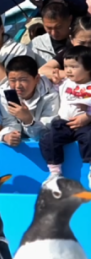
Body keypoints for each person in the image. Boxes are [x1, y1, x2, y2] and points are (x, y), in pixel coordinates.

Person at [40, 46, 91, 177]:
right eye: (66, 66)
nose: (68, 70)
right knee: (48, 139)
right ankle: (55, 172)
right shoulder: (65, 82)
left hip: (86, 125)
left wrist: (88, 117)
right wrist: (56, 83)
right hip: (64, 124)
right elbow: (55, 92)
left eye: (73, 67)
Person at [0, 55, 60, 147]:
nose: (18, 85)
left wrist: (28, 120)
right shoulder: (4, 93)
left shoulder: (51, 95)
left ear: (36, 79)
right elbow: (8, 122)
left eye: (23, 80)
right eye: (13, 80)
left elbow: (46, 134)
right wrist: (7, 136)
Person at [40, 14, 91, 85]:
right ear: (72, 39)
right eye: (82, 43)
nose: (87, 46)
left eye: (90, 42)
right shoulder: (68, 54)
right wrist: (70, 74)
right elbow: (42, 70)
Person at [31, 0, 73, 66]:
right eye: (49, 28)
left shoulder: (83, 40)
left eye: (58, 27)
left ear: (69, 20)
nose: (53, 33)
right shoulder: (35, 45)